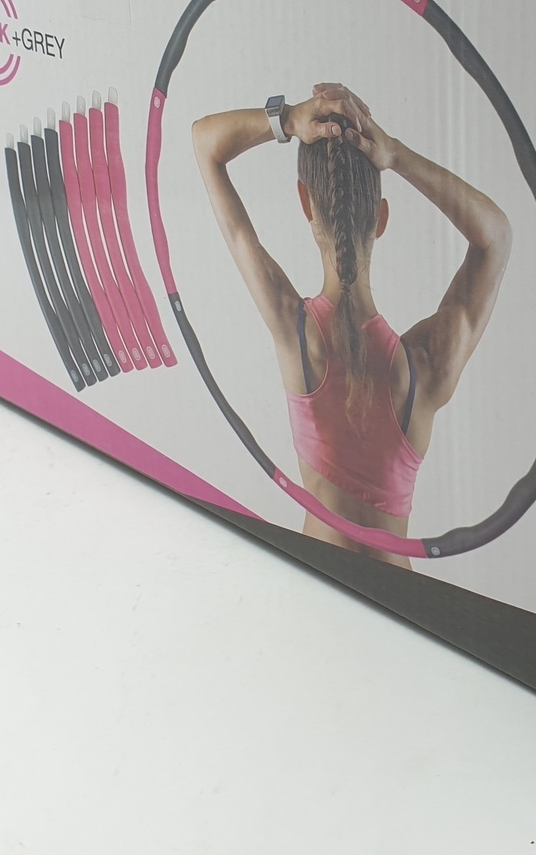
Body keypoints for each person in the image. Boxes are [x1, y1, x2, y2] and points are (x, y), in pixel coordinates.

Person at [192, 84, 512, 567]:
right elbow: (496, 237)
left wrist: (288, 120)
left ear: (305, 204)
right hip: (401, 603)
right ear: (381, 218)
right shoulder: (424, 366)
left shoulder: (298, 333)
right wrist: (397, 157)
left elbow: (204, 142)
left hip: (322, 592)